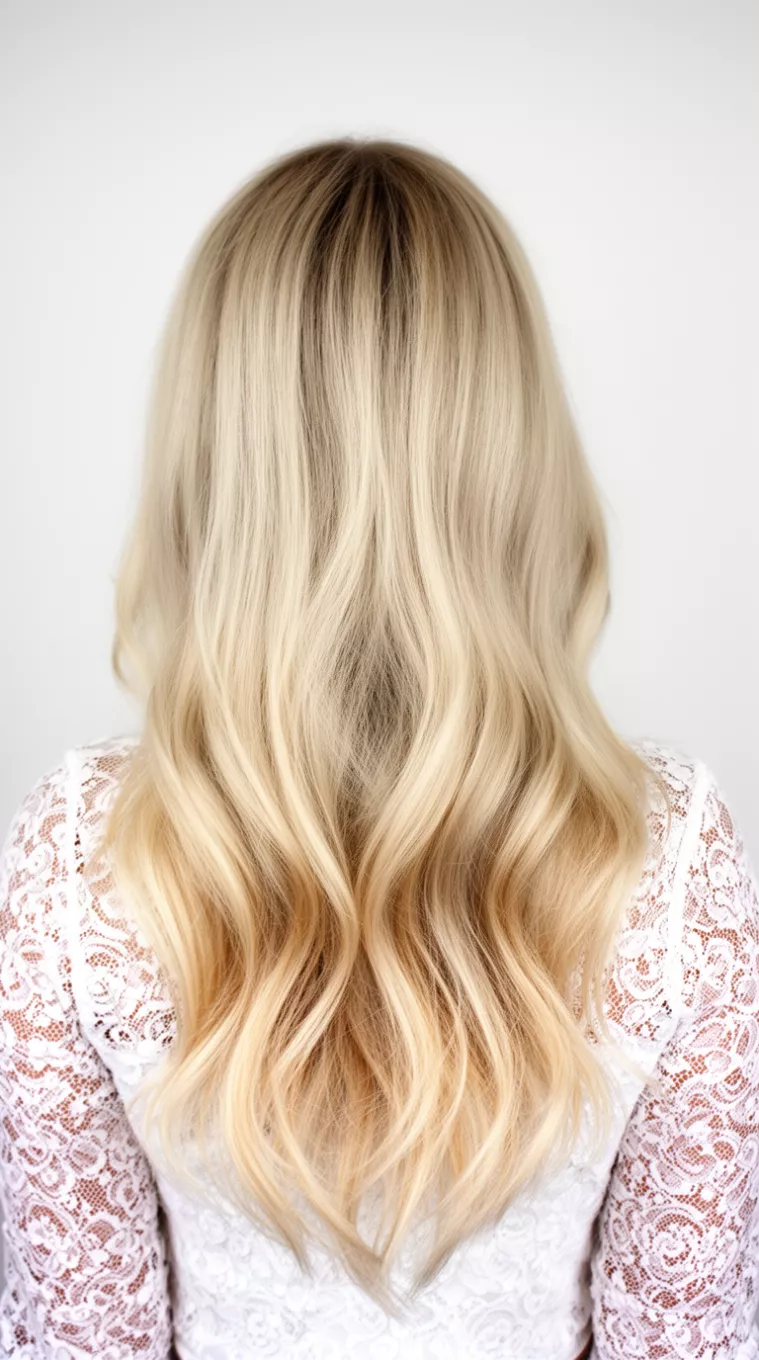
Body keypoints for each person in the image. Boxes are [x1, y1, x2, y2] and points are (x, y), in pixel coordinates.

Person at [1, 136, 757, 1360]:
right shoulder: (666, 858)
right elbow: (681, 1338)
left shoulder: (80, 854)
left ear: (210, 460)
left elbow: (84, 1339)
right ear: (513, 454)